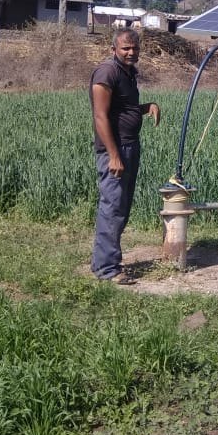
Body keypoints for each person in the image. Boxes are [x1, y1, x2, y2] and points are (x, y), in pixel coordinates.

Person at [89, 28, 160, 284]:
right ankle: (107, 270)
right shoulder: (107, 72)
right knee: (113, 207)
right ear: (114, 50)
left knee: (122, 207)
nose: (131, 52)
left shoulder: (129, 73)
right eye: (125, 49)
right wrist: (113, 155)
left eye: (135, 48)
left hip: (130, 146)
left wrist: (147, 107)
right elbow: (101, 116)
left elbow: (124, 109)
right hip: (116, 150)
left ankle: (104, 263)